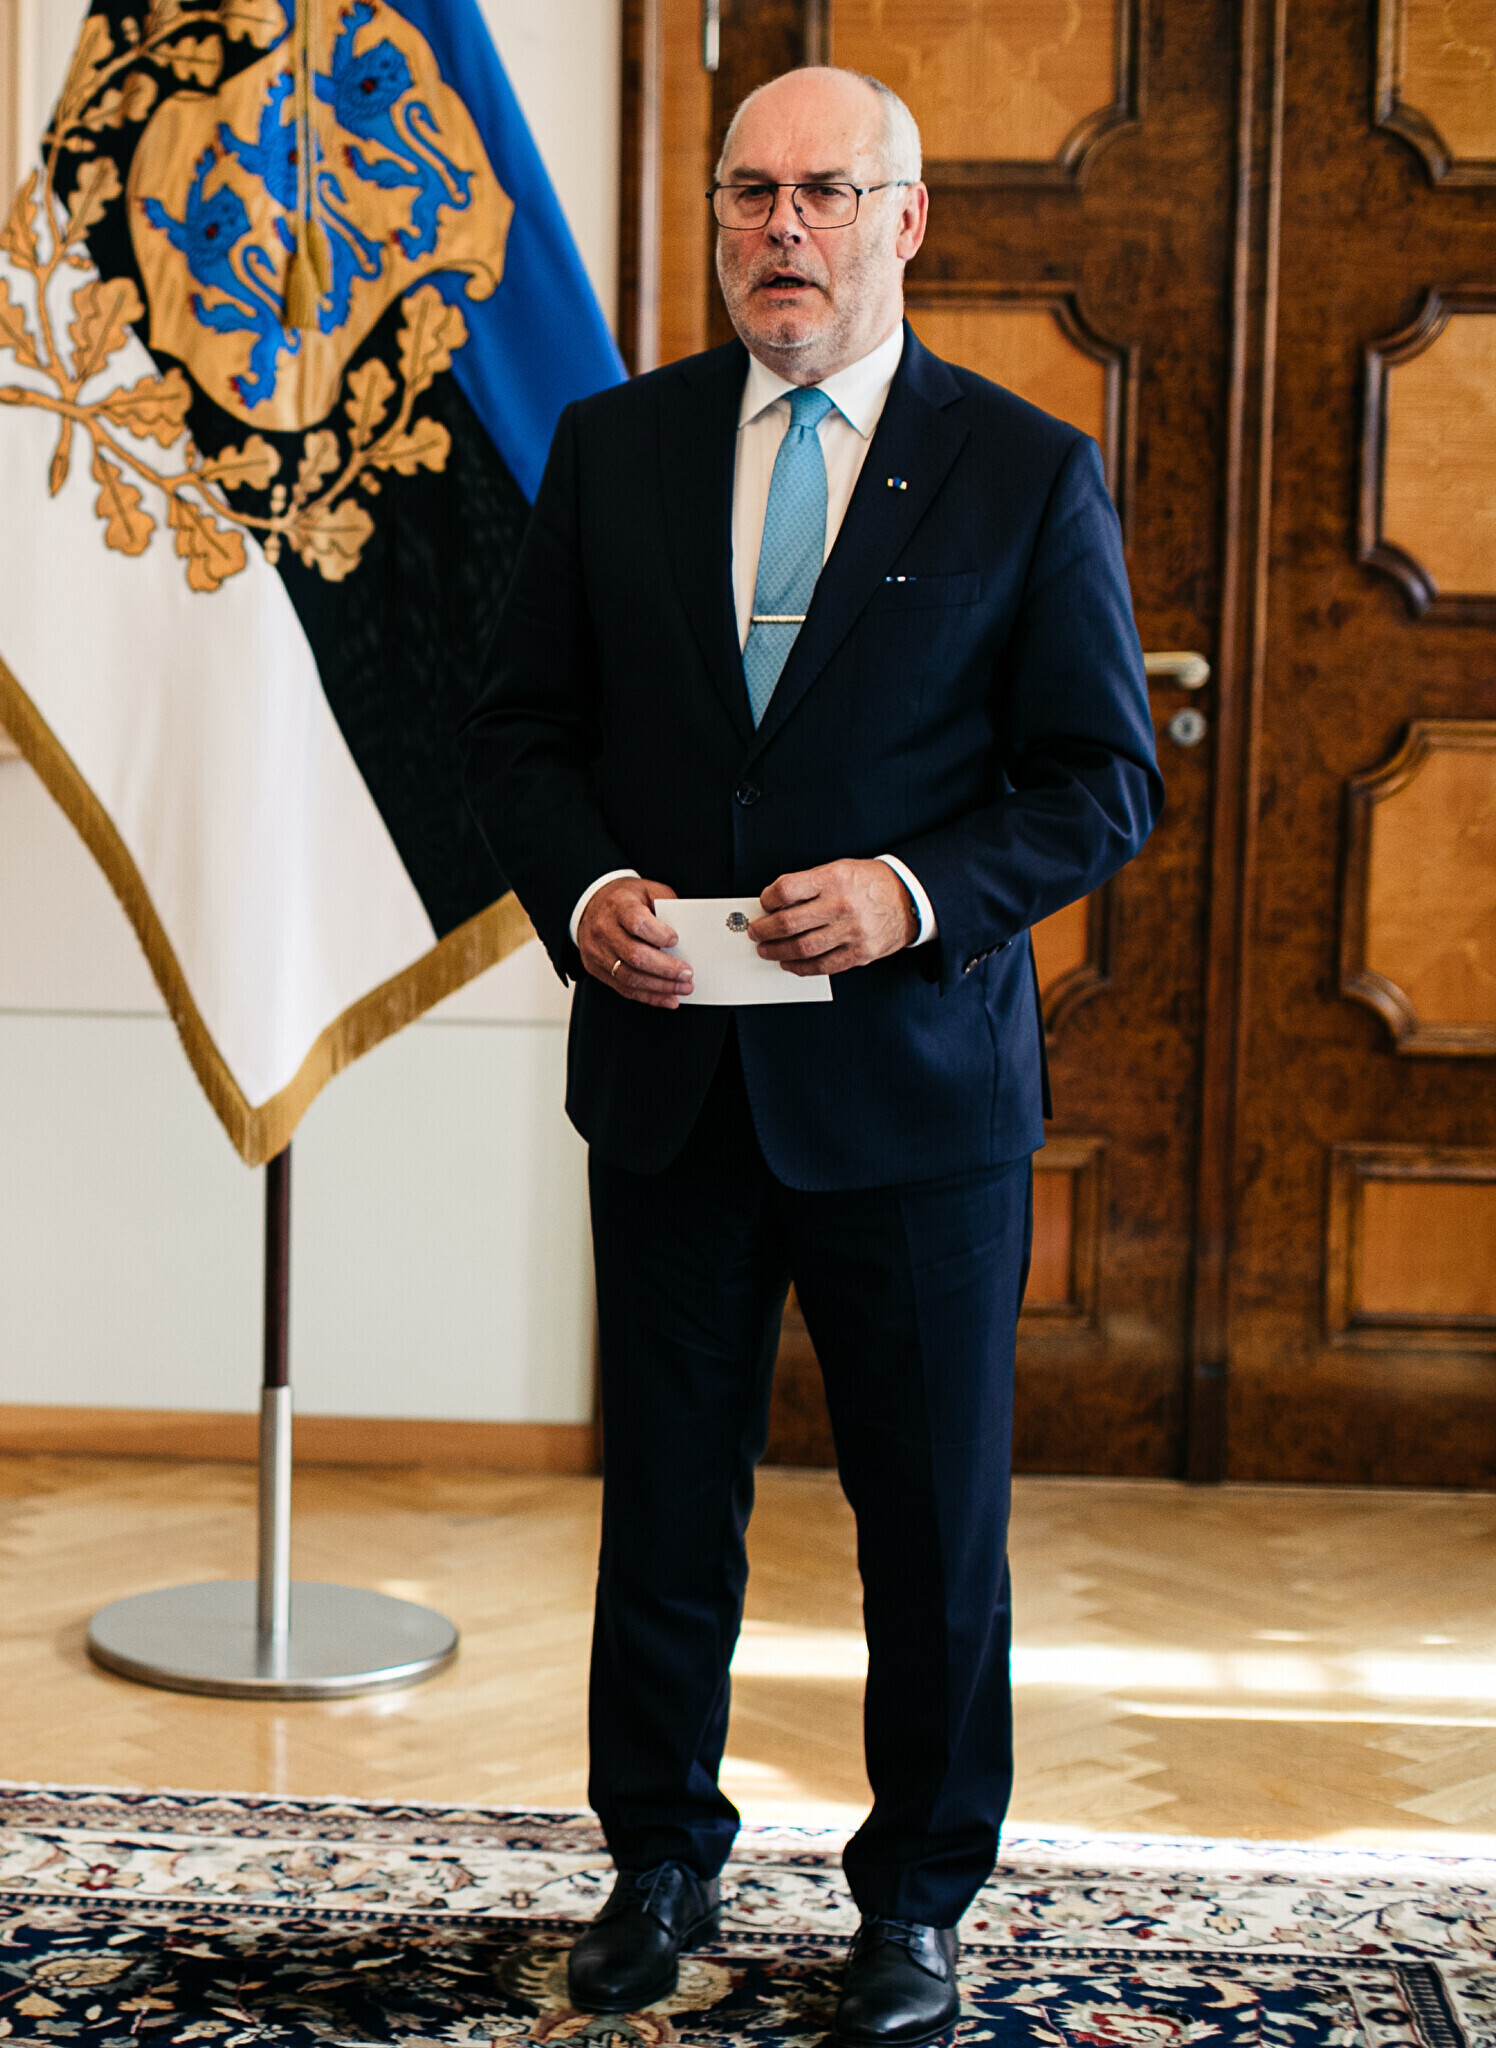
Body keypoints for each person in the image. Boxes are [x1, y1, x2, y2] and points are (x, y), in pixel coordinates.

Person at [464, 67, 1161, 2048]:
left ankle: (917, 1899)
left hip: (917, 1105)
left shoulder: (1026, 469)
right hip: (671, 1076)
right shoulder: (613, 447)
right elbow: (516, 730)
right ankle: (658, 1863)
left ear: (904, 220)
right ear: (717, 216)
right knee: (665, 1509)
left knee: (931, 1532)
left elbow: (1099, 780)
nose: (784, 226)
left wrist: (914, 892)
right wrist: (586, 885)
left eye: (826, 192)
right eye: (751, 191)